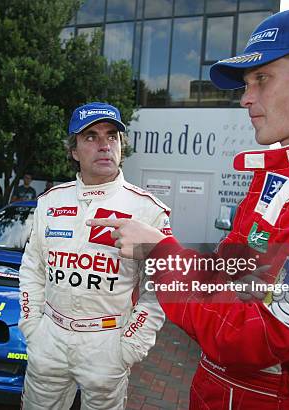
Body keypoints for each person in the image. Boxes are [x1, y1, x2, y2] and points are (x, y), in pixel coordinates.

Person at [88, 8, 289, 409]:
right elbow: (226, 274)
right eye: (247, 83)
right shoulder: (280, 172)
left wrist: (161, 253)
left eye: (262, 79)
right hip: (215, 389)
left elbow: (250, 334)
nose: (246, 98)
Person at [19, 102, 172, 409]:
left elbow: (160, 287)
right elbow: (33, 269)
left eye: (112, 136)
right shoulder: (50, 202)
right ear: (73, 150)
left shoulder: (147, 210)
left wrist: (131, 345)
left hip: (108, 341)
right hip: (50, 336)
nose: (104, 145)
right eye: (90, 137)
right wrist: (32, 326)